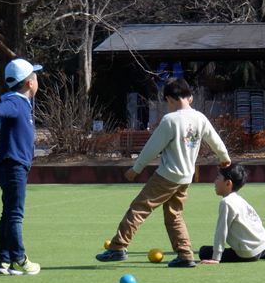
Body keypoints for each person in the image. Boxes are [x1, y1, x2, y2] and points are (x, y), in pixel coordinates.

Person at [96, 78, 231, 268]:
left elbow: (152, 148)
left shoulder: (170, 120)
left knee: (138, 208)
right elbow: (215, 141)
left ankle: (118, 247)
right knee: (174, 215)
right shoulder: (200, 118)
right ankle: (185, 255)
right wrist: (224, 157)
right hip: (185, 178)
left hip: (167, 176)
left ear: (170, 99)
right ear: (189, 98)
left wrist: (136, 169)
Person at [0, 58, 43, 275]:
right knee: (15, 214)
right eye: (35, 77)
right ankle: (19, 259)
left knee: (7, 214)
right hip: (14, 166)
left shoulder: (22, 102)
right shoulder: (16, 101)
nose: (37, 80)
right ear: (29, 84)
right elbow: (5, 107)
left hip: (9, 165)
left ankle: (3, 261)